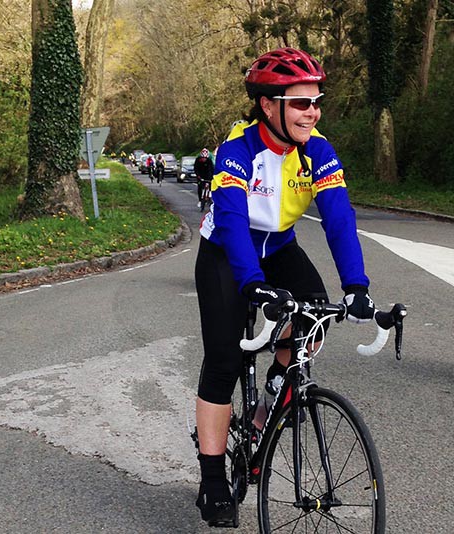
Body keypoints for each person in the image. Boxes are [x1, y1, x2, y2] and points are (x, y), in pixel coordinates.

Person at [193, 47, 375, 527]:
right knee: (224, 360)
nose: (311, 112)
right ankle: (212, 478)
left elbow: (338, 217)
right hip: (227, 252)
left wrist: (356, 286)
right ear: (268, 105)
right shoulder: (239, 150)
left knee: (316, 309)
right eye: (299, 103)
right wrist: (252, 284)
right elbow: (232, 220)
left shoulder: (317, 149)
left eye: (316, 102)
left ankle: (275, 388)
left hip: (279, 248)